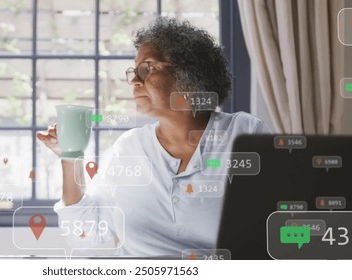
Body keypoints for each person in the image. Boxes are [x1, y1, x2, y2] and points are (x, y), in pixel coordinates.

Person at [37, 17, 268, 256]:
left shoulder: (244, 134)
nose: (135, 81)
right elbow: (84, 235)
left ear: (188, 73)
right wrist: (70, 157)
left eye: (148, 68)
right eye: (134, 72)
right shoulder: (129, 148)